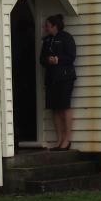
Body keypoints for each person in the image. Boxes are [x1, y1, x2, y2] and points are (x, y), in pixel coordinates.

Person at [40, 14, 76, 150]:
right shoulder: (47, 40)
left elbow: (71, 56)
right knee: (55, 108)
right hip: (51, 78)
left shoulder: (66, 38)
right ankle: (59, 140)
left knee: (64, 106)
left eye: (47, 25)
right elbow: (41, 59)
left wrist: (58, 60)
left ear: (55, 26)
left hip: (65, 77)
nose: (45, 28)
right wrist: (48, 60)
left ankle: (67, 140)